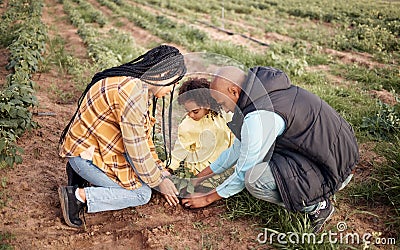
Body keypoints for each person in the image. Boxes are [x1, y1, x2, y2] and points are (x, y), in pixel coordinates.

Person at [182, 66, 359, 233]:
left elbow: (244, 169)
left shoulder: (259, 116)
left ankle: (318, 206)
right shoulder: (263, 91)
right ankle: (316, 189)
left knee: (254, 179)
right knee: (262, 155)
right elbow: (238, 149)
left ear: (234, 92)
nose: (223, 108)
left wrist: (207, 198)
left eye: (222, 102)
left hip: (334, 168)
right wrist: (199, 178)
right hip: (331, 154)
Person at [58, 45, 186, 228]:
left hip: (93, 149)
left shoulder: (138, 87)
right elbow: (137, 152)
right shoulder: (133, 94)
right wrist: (159, 181)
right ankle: (77, 197)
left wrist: (160, 171)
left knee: (145, 177)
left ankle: (79, 175)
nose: (173, 88)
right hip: (85, 156)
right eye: (174, 81)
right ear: (162, 73)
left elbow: (143, 139)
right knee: (141, 193)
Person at [168, 77, 233, 175]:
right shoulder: (188, 125)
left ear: (207, 104)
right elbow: (180, 150)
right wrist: (170, 167)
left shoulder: (224, 116)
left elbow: (234, 141)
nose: (191, 115)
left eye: (195, 111)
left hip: (223, 168)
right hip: (200, 170)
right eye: (187, 111)